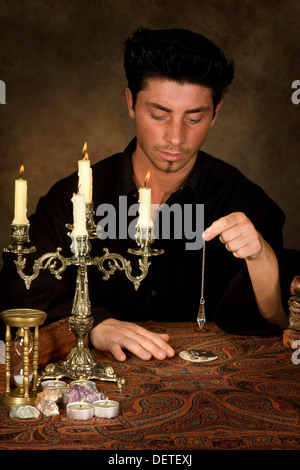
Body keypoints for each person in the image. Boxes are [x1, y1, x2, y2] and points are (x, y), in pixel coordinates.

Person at [0, 28, 292, 362]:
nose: (176, 138)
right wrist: (93, 325)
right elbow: (18, 293)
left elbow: (282, 320)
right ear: (131, 103)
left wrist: (260, 257)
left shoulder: (246, 201)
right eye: (159, 115)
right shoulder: (71, 198)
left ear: (215, 113)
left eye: (194, 118)